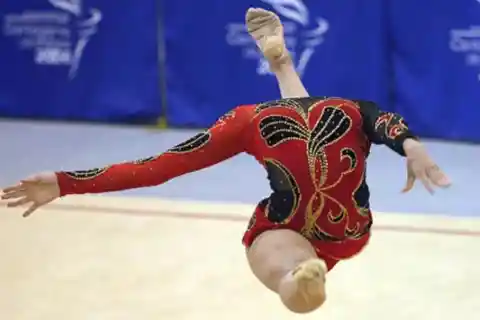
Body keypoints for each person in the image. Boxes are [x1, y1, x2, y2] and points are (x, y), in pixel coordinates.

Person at [0, 8, 450, 314]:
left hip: (288, 226)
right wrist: (411, 146)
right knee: (308, 129)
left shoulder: (246, 122)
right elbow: (384, 122)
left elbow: (157, 167)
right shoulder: (351, 110)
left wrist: (66, 181)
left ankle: (295, 277)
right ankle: (283, 65)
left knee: (292, 288)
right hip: (349, 227)